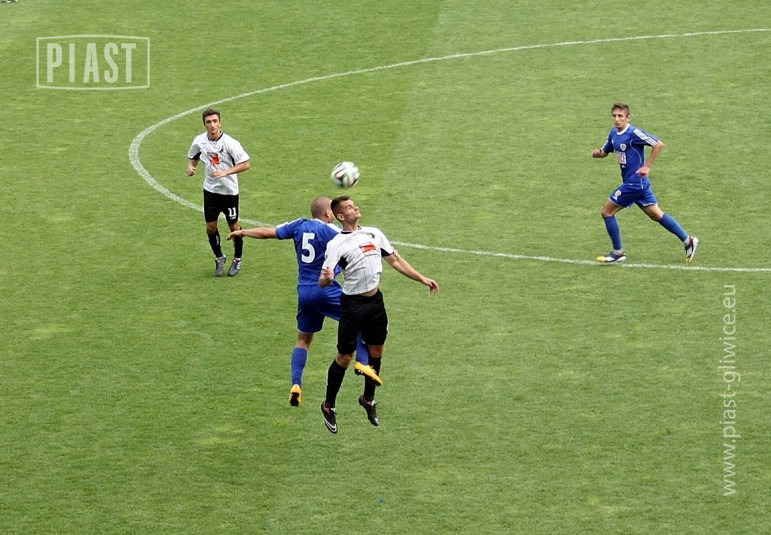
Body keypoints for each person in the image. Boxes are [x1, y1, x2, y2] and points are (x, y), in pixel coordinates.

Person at [226, 197, 381, 407]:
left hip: (304, 292)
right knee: (361, 320)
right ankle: (362, 362)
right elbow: (354, 243)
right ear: (328, 214)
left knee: (303, 340)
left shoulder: (298, 225)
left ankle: (296, 385)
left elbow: (268, 232)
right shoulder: (332, 231)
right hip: (325, 289)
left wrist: (243, 232)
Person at [318, 196, 439, 434]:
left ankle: (368, 399)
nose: (355, 207)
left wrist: (422, 278)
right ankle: (329, 405)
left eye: (354, 204)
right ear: (340, 216)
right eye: (349, 207)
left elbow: (395, 260)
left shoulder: (374, 233)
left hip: (375, 302)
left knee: (376, 351)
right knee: (345, 356)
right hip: (353, 305)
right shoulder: (336, 244)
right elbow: (323, 280)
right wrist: (327, 279)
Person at [592, 103, 699, 264]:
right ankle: (688, 241)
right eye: (614, 116)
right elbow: (606, 151)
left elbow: (658, 144)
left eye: (620, 116)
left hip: (635, 183)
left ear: (628, 118)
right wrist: (598, 154)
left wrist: (647, 166)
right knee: (656, 214)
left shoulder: (634, 133)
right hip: (638, 184)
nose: (617, 119)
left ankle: (618, 252)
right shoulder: (614, 133)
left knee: (607, 212)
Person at [187, 108, 251, 277]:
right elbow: (194, 155)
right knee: (210, 227)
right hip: (210, 190)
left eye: (215, 121)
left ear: (220, 123)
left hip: (229, 192)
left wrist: (226, 172)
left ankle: (237, 258)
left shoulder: (230, 143)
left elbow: (245, 164)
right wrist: (191, 166)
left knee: (234, 227)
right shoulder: (199, 141)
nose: (212, 125)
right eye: (209, 122)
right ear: (204, 124)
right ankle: (219, 257)